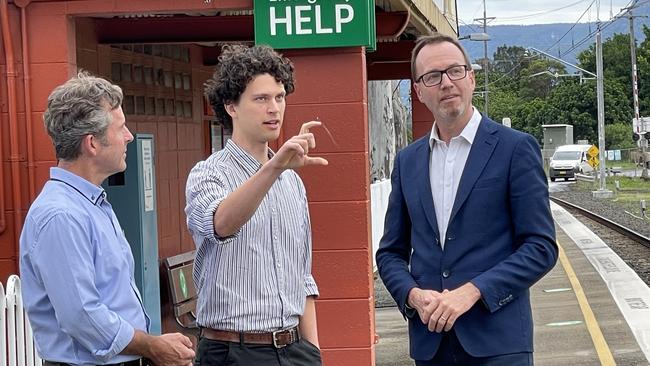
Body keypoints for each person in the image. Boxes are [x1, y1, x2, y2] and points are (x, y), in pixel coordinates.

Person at [376, 33, 558, 365]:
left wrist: (472, 291)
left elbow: (541, 246)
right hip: (431, 344)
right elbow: (390, 253)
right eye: (432, 76)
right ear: (418, 90)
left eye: (455, 71)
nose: (446, 83)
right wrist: (413, 296)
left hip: (499, 343)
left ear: (471, 77)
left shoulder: (515, 149)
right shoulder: (408, 161)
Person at [20, 72, 195, 366]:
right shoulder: (62, 215)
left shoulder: (91, 204)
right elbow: (83, 316)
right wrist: (153, 346)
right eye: (121, 128)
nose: (129, 136)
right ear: (92, 143)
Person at [185, 44, 327, 366]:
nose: (274, 109)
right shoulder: (209, 173)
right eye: (261, 99)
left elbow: (303, 275)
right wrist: (274, 167)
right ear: (231, 106)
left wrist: (313, 352)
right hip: (233, 349)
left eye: (279, 97)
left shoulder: (292, 181)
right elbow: (221, 223)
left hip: (295, 347)